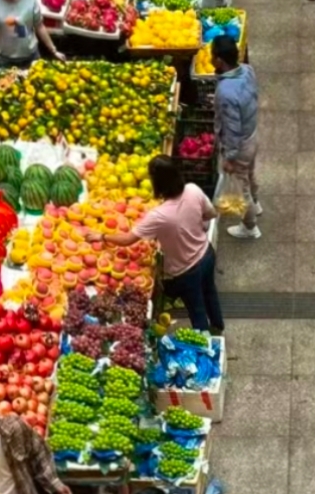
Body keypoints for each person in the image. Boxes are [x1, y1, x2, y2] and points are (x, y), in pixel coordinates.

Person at [105, 155, 221, 331]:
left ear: (157, 183)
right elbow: (211, 214)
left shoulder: (158, 215)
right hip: (207, 254)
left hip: (187, 270)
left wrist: (102, 237)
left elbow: (128, 239)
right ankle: (218, 326)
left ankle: (207, 347)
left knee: (197, 309)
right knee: (210, 292)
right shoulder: (193, 190)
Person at [212, 36, 262, 241]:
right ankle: (257, 204)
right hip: (252, 135)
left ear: (219, 61)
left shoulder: (225, 92)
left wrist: (230, 157)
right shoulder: (247, 71)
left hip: (239, 144)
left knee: (241, 189)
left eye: (212, 55)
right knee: (249, 173)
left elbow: (232, 128)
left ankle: (250, 227)